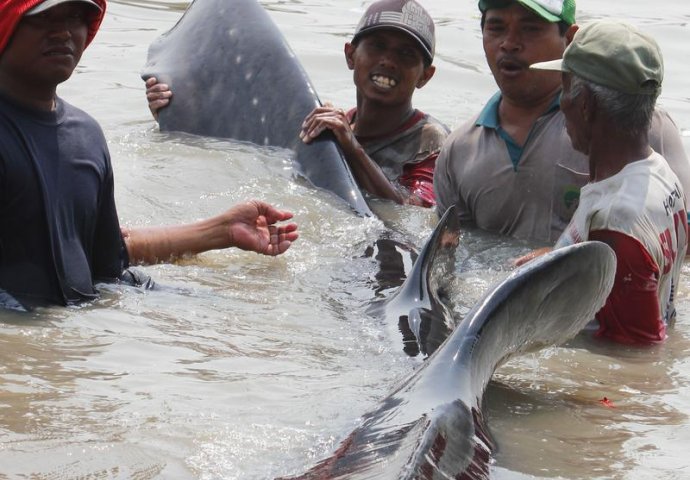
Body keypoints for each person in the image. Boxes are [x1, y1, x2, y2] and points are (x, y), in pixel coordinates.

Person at [0, 0, 299, 310]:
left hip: (70, 339)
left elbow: (107, 265)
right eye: (44, 18)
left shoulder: (85, 136)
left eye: (75, 17)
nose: (63, 33)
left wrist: (222, 233)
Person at [146, 0, 449, 208]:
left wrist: (351, 148)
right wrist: (176, 110)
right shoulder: (326, 126)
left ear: (426, 76)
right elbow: (242, 148)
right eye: (378, 46)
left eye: (406, 55)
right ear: (350, 55)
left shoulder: (432, 141)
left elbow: (413, 213)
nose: (388, 61)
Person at [433, 0, 690, 242]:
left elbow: (682, 242)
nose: (509, 43)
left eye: (530, 28)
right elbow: (451, 259)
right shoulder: (458, 152)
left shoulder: (634, 128)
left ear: (570, 39)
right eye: (496, 27)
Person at [524, 21, 688, 344]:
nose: (561, 103)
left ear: (585, 105)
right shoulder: (660, 173)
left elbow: (632, 363)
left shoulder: (615, 222)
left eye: (565, 87)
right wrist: (555, 259)